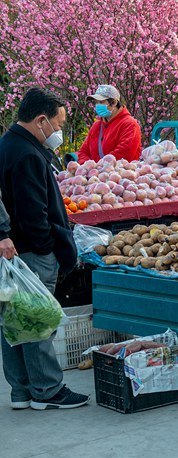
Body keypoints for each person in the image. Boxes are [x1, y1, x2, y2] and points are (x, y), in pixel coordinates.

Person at [0, 87, 86, 410]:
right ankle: (47, 389)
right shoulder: (26, 155)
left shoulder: (7, 146)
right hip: (33, 252)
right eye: (58, 124)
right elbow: (33, 212)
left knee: (14, 318)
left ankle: (21, 390)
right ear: (40, 121)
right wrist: (49, 248)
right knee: (38, 319)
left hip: (14, 254)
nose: (59, 132)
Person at [77, 84, 142, 163]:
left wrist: (98, 167)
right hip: (94, 174)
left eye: (101, 102)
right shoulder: (96, 126)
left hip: (120, 174)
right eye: (96, 102)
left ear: (114, 102)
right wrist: (88, 167)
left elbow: (123, 155)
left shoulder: (130, 125)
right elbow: (83, 152)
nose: (97, 106)